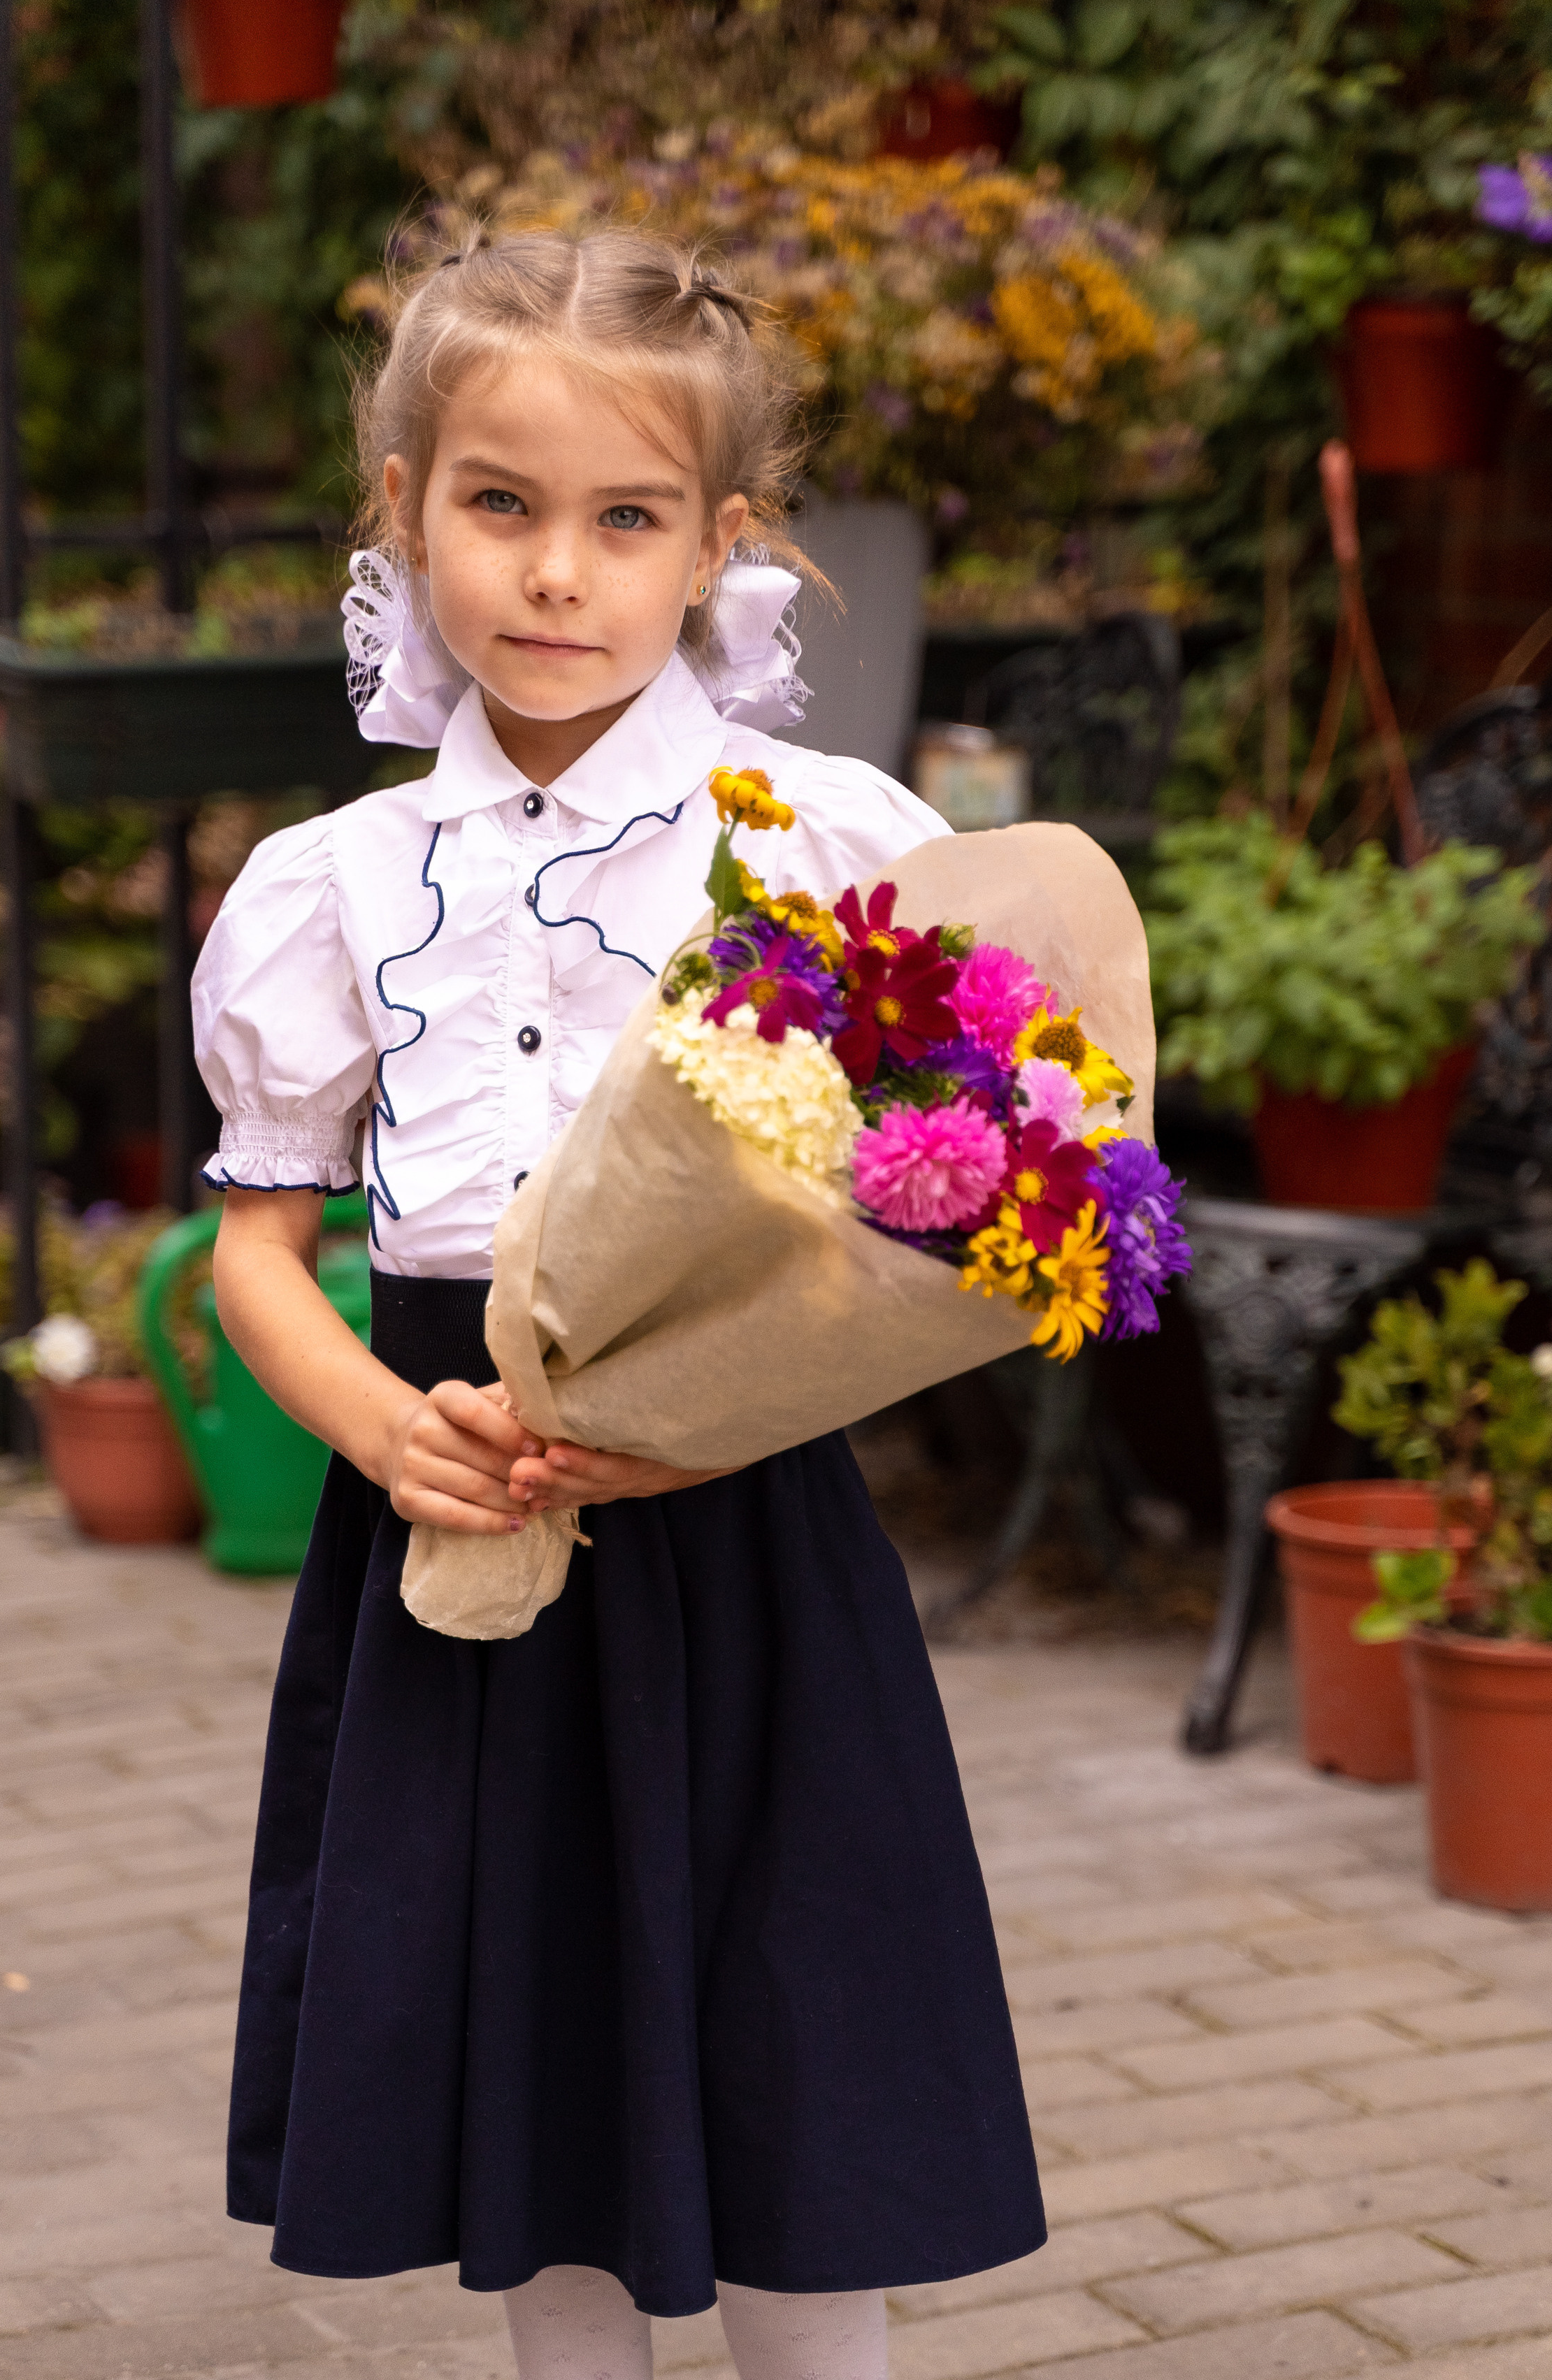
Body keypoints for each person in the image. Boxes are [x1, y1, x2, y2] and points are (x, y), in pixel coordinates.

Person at [194, 227, 1044, 2380]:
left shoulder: (822, 843)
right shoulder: (332, 889)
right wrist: (384, 1436)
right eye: (500, 504)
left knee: (790, 2042)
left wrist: (782, 1371)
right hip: (460, 1532)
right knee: (534, 2060)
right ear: (401, 514)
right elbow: (258, 1251)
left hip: (747, 1547)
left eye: (624, 518)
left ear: (718, 550)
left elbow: (968, 1199)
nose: (555, 572)